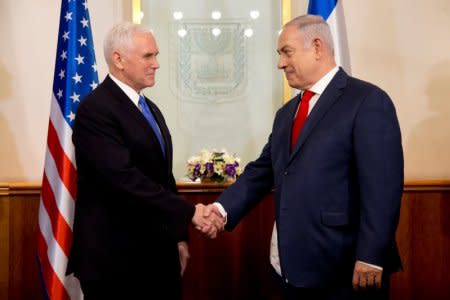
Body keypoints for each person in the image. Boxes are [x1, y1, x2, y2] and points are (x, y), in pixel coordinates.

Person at [203, 14, 403, 299]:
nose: (280, 63)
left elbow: (383, 188)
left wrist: (371, 255)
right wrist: (221, 211)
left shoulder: (368, 101)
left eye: (287, 52)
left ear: (318, 47)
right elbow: (262, 171)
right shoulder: (287, 114)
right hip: (291, 270)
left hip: (344, 268)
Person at [66, 22, 222, 299]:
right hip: (114, 262)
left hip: (157, 255)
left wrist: (179, 236)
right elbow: (124, 178)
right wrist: (191, 213)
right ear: (119, 59)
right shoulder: (95, 109)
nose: (156, 64)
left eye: (156, 55)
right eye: (148, 56)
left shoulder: (149, 108)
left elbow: (163, 178)